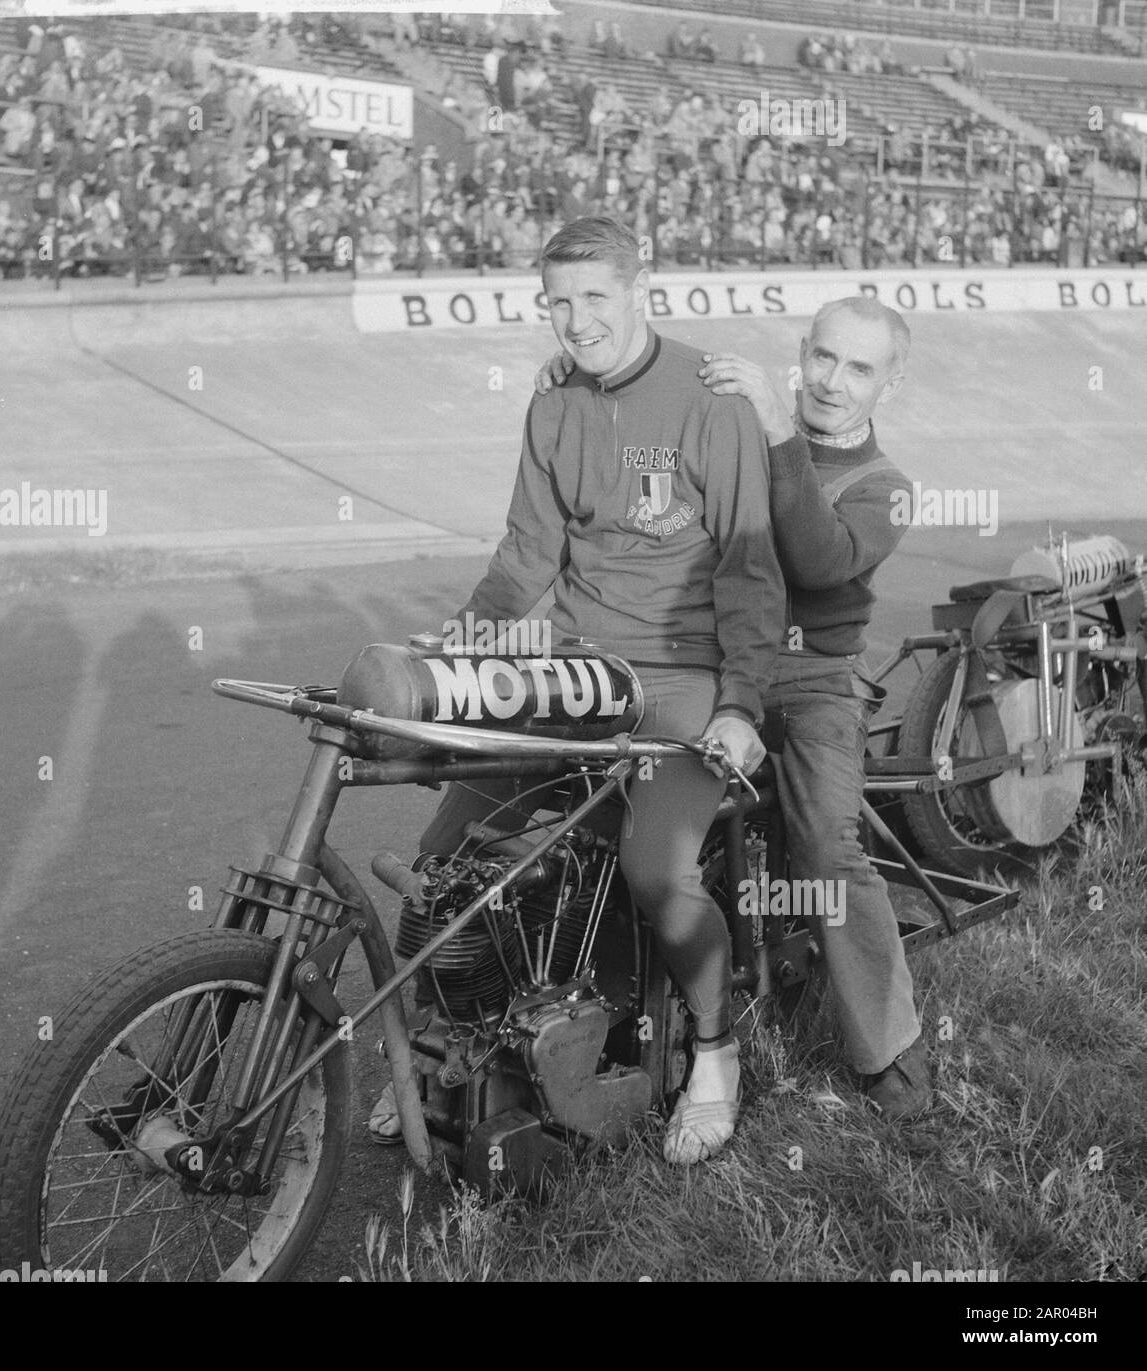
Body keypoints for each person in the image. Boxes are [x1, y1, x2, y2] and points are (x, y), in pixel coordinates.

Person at [368, 217, 787, 1164]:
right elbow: (524, 559)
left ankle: (716, 1055)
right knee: (447, 855)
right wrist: (458, 646)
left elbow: (751, 571)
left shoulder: (709, 400)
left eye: (596, 297)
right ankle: (439, 1056)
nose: (576, 320)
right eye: (558, 301)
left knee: (655, 869)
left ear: (642, 288)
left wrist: (741, 704)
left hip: (681, 675)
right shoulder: (553, 404)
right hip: (576, 671)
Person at [532, 297, 932, 1120]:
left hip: (816, 677)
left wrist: (779, 429)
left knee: (828, 843)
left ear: (890, 383)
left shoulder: (885, 486)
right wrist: (576, 382)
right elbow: (644, 432)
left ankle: (887, 1050)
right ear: (801, 351)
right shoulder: (743, 427)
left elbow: (819, 563)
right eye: (822, 357)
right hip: (714, 658)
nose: (832, 380)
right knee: (591, 792)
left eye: (859, 368)